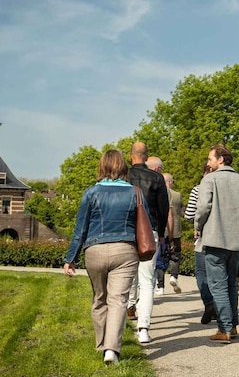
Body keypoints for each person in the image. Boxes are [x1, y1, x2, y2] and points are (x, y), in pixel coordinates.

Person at [62, 149, 144, 365]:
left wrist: (71, 258)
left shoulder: (91, 192)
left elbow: (80, 228)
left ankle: (101, 345)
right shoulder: (135, 192)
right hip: (125, 250)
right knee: (118, 300)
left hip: (95, 250)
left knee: (100, 299)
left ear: (102, 167)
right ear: (123, 167)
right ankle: (112, 351)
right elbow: (146, 224)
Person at [195, 145, 239, 343]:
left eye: (210, 159)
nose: (208, 163)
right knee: (230, 283)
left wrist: (197, 225)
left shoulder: (209, 179)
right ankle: (233, 325)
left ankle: (224, 328)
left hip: (215, 237)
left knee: (217, 285)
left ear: (221, 159)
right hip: (238, 239)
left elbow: (202, 208)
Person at [126, 142, 169, 344]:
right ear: (146, 157)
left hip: (126, 231)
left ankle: (128, 309)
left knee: (125, 276)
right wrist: (160, 234)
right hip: (148, 231)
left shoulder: (123, 177)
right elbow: (163, 209)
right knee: (146, 281)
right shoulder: (157, 178)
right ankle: (143, 328)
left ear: (130, 156)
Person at [184, 162, 215, 324]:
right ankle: (221, 306)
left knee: (202, 272)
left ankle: (209, 302)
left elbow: (189, 214)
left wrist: (197, 224)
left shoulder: (198, 189)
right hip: (225, 238)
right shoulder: (225, 188)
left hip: (203, 236)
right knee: (220, 274)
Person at [163, 172, 183, 294]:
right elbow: (182, 212)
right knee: (175, 257)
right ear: (170, 182)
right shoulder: (177, 195)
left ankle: (160, 286)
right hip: (175, 230)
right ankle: (173, 276)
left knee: (161, 258)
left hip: (161, 230)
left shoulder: (158, 194)